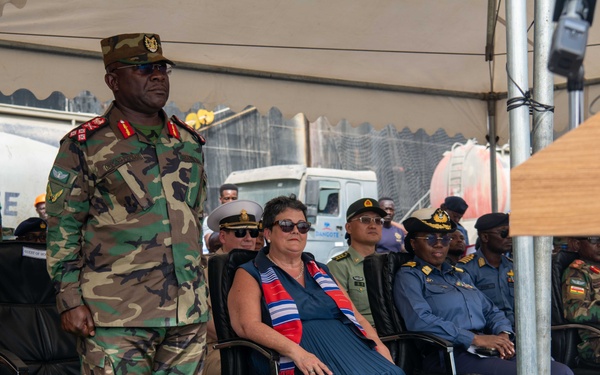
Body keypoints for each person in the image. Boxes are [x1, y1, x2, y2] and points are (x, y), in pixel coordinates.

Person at [45, 33, 209, 374]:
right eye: (143, 68)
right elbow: (64, 230)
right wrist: (69, 301)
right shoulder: (85, 144)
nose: (158, 75)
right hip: (116, 315)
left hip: (187, 313)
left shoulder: (188, 143)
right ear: (112, 80)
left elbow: (195, 216)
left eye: (162, 67)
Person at [228, 195, 404, 375]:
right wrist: (297, 352)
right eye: (287, 225)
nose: (296, 231)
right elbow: (247, 325)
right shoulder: (252, 272)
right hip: (296, 356)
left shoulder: (320, 270)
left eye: (302, 226)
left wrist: (379, 345)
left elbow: (356, 317)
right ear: (268, 233)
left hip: (349, 347)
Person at [393, 208, 573, 375]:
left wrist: (503, 334)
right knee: (525, 372)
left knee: (560, 371)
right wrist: (473, 339)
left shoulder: (459, 275)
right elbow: (419, 320)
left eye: (445, 238)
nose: (439, 244)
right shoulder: (410, 276)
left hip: (486, 347)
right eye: (431, 239)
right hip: (449, 353)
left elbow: (491, 310)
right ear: (414, 243)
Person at [203, 200, 262, 375]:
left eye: (253, 232)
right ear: (222, 237)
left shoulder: (263, 267)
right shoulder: (203, 269)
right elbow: (208, 323)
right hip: (220, 347)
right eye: (240, 232)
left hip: (263, 345)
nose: (248, 238)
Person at [327, 198, 386, 327]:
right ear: (348, 227)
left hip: (398, 334)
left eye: (378, 221)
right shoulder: (338, 267)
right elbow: (341, 315)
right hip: (362, 336)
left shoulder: (387, 264)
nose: (373, 225)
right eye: (364, 220)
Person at [458, 213, 515, 327]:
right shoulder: (465, 269)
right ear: (485, 237)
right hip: (489, 336)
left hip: (519, 333)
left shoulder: (513, 266)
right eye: (504, 233)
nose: (509, 237)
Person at [562, 236, 600, 364]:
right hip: (594, 342)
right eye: (594, 240)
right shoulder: (577, 273)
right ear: (576, 244)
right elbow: (574, 310)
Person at [202, 184, 238, 253]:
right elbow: (209, 244)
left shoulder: (243, 217)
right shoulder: (211, 220)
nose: (230, 201)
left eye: (233, 198)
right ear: (220, 199)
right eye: (227, 198)